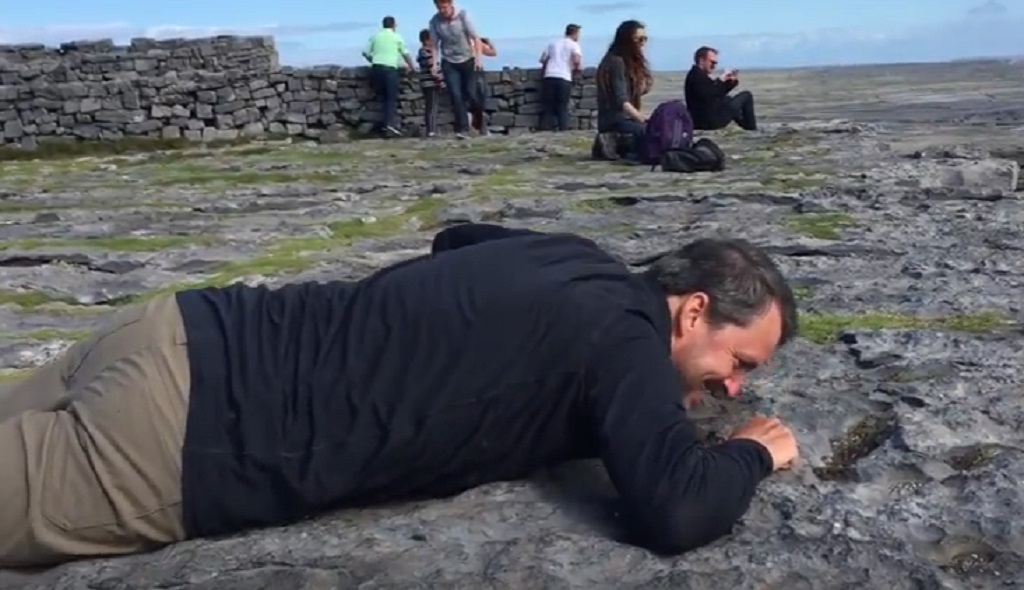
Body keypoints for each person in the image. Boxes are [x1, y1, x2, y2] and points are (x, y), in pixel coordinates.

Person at [0, 222, 801, 568]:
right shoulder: (623, 345)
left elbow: (453, 240)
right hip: (173, 436)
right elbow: (676, 509)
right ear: (693, 308)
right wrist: (750, 452)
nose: (732, 387)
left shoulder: (577, 259)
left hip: (179, 327)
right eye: (741, 363)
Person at [595, 20, 654, 158]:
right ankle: (613, 143)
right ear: (627, 40)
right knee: (647, 132)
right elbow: (621, 100)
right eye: (639, 39)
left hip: (624, 119)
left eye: (645, 39)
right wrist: (640, 117)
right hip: (614, 120)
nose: (643, 43)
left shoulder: (627, 62)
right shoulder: (616, 62)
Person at [428, 0, 482, 140]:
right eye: (439, 8)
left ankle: (478, 119)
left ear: (451, 4)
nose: (442, 11)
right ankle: (462, 129)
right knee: (455, 94)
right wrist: (434, 63)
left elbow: (475, 38)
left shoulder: (463, 16)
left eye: (444, 7)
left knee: (471, 93)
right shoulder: (435, 21)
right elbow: (434, 45)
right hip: (449, 61)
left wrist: (478, 58)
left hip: (468, 59)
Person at [362, 16, 417, 137]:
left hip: (376, 68)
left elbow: (365, 52)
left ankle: (382, 126)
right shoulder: (396, 37)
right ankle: (390, 125)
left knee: (382, 98)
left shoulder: (376, 36)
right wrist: (412, 67)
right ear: (393, 25)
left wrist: (373, 59)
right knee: (391, 98)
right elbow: (405, 53)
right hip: (390, 69)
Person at [684, 46, 757, 131]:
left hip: (703, 120)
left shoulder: (697, 74)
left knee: (727, 100)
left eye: (715, 63)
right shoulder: (696, 76)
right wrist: (721, 79)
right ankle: (752, 129)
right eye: (712, 62)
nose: (714, 66)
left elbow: (716, 92)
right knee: (747, 95)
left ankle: (747, 126)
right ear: (702, 61)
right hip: (709, 121)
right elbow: (710, 94)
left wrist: (730, 82)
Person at [539, 23, 583, 132]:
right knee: (562, 106)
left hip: (549, 76)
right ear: (575, 33)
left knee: (548, 106)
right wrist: (577, 69)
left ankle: (545, 129)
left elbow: (543, 59)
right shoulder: (573, 45)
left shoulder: (553, 43)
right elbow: (576, 60)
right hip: (564, 76)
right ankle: (563, 129)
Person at [416, 28, 443, 137]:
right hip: (430, 83)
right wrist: (441, 81)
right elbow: (433, 69)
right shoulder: (426, 52)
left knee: (431, 106)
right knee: (431, 107)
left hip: (428, 83)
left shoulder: (423, 52)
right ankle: (431, 130)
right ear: (427, 40)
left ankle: (431, 129)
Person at [469, 37, 497, 135]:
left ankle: (477, 127)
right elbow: (493, 52)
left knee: (476, 100)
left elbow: (493, 53)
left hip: (471, 72)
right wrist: (489, 42)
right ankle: (480, 127)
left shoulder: (473, 43)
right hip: (476, 71)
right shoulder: (477, 43)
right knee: (479, 100)